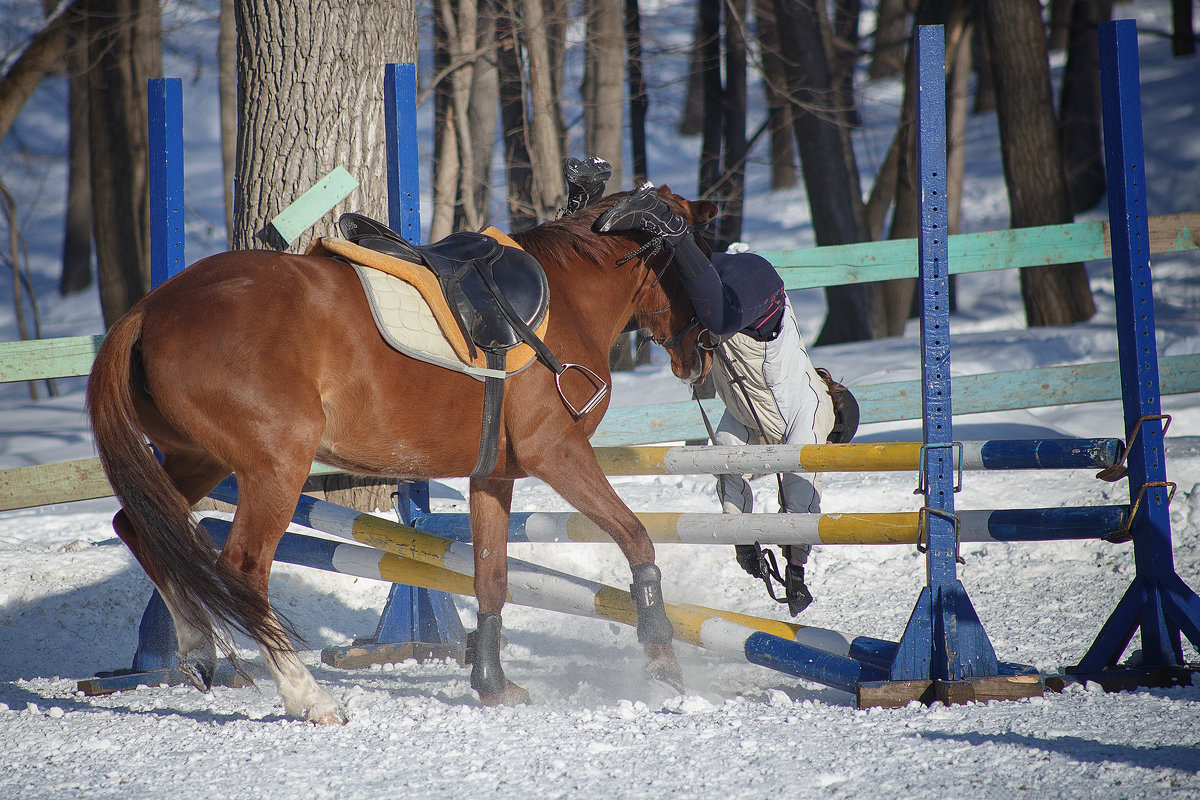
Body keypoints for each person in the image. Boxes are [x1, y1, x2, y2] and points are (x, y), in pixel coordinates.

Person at [595, 182, 858, 615]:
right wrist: (797, 570)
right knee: (718, 318)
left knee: (636, 309)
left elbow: (729, 469)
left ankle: (589, 212)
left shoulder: (748, 422)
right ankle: (673, 228)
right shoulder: (814, 410)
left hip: (726, 290)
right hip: (755, 288)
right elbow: (801, 491)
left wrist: (741, 536)